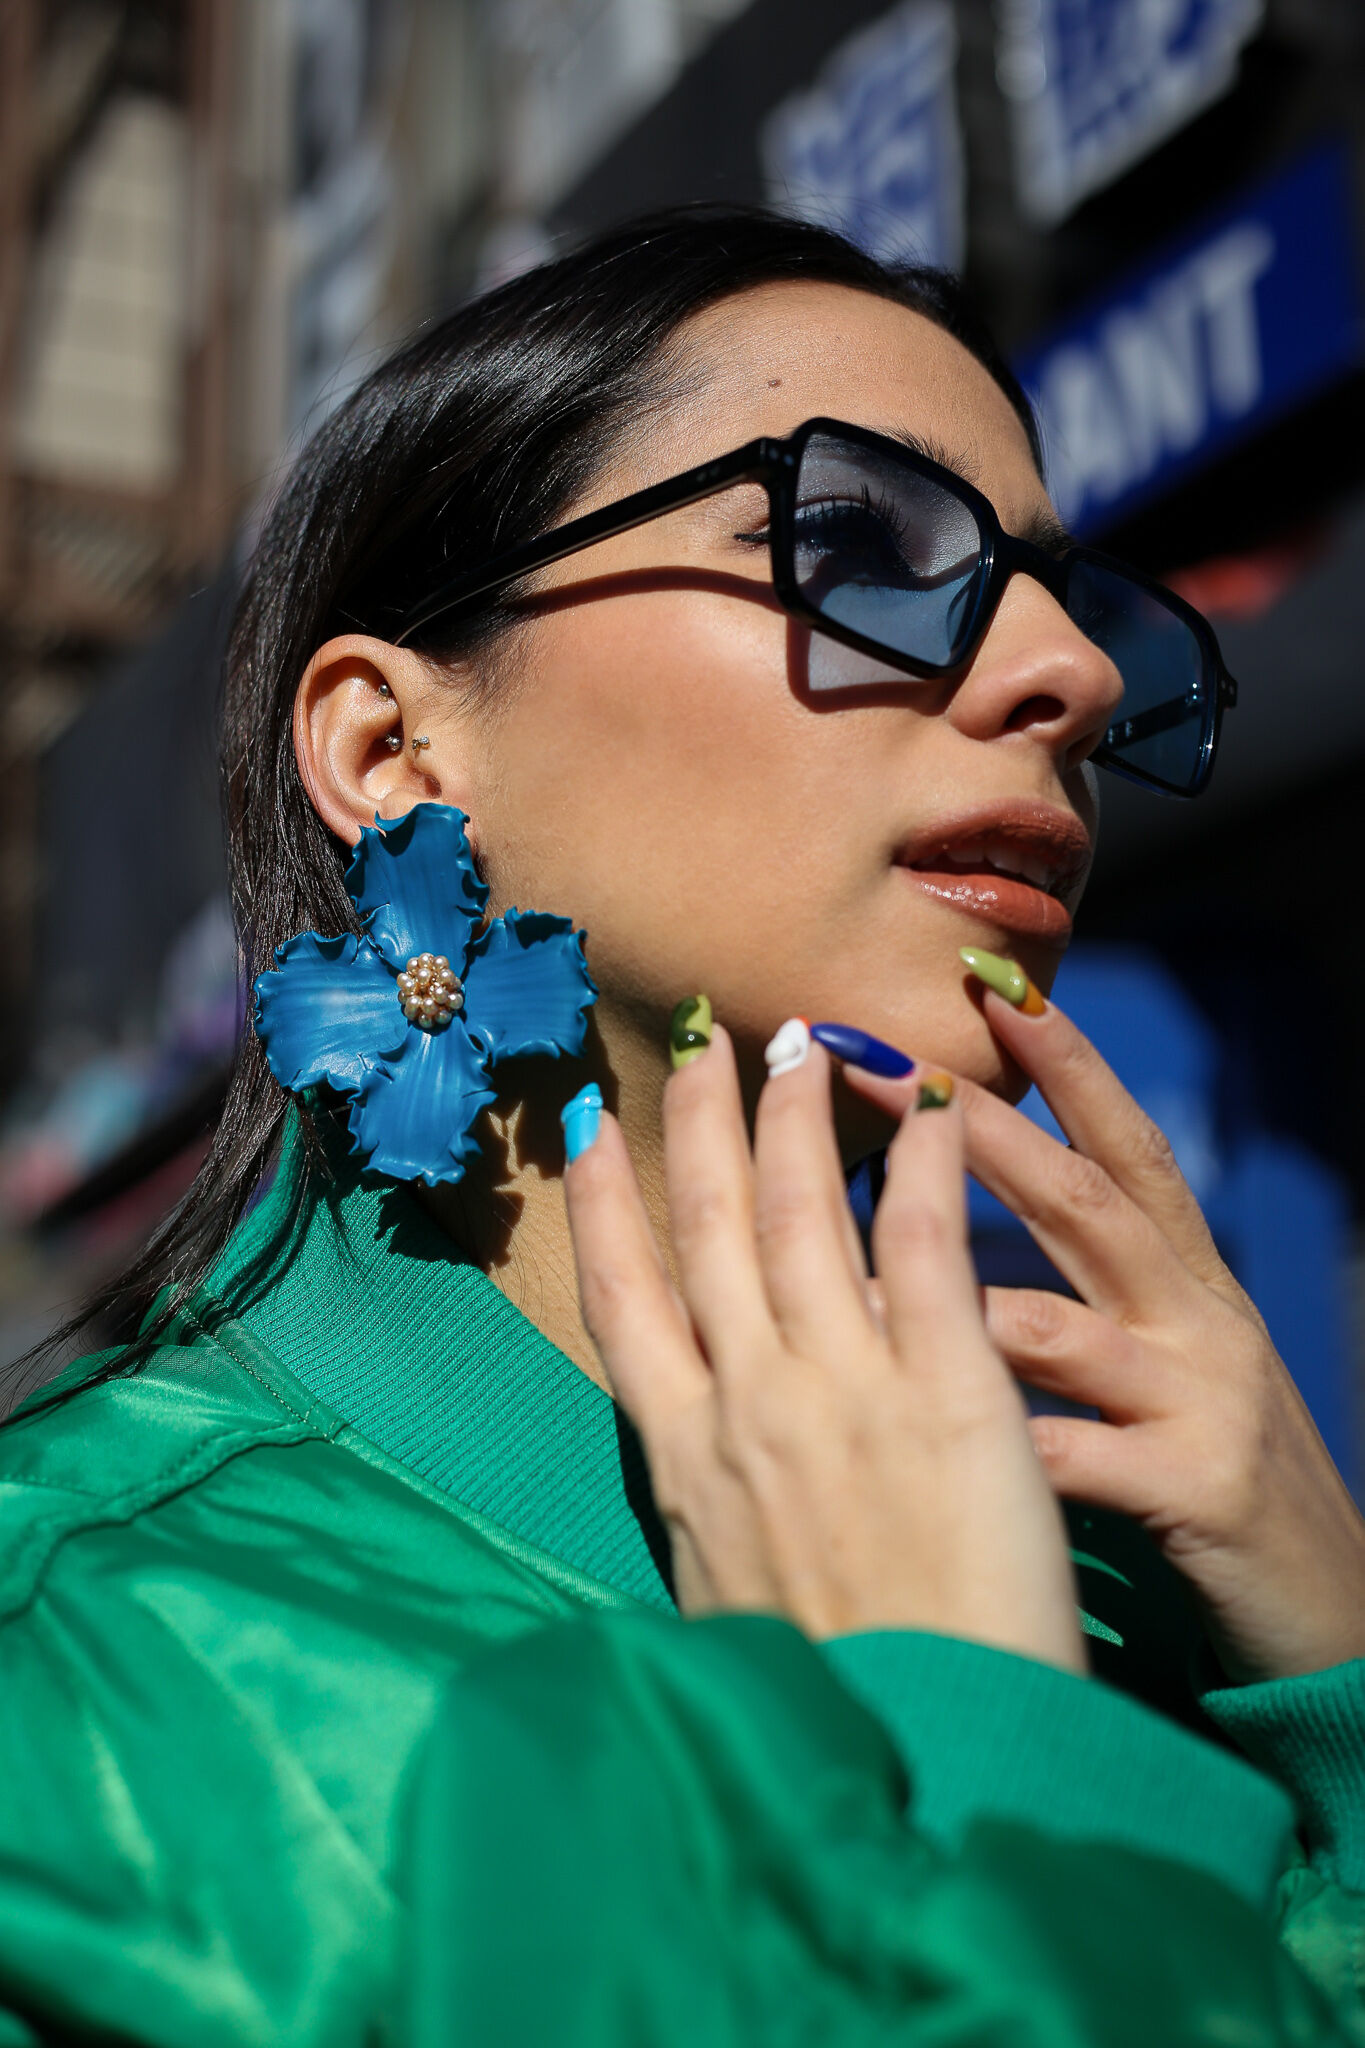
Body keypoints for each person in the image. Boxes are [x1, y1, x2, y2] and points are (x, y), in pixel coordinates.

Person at [0, 207, 1361, 2047]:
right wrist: (990, 1763)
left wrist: (1339, 1692)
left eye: (1066, 592)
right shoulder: (81, 1666)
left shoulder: (1160, 1585)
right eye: (863, 539)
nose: (1071, 674)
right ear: (397, 753)